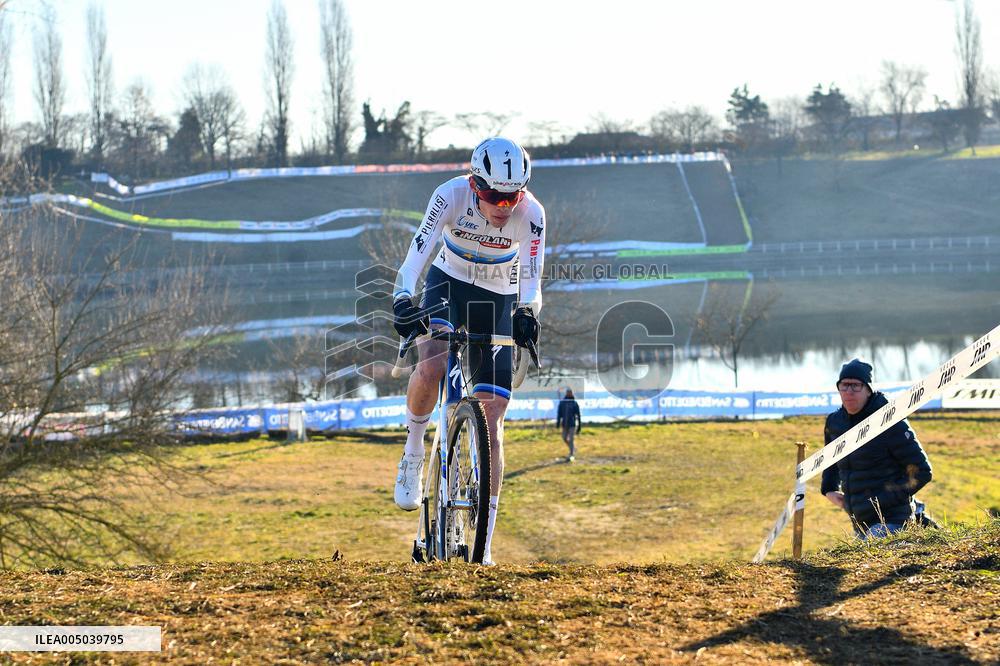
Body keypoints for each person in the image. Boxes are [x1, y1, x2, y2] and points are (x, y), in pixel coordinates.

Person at [391, 137, 545, 565]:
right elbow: (415, 257)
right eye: (495, 196)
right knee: (433, 362)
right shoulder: (450, 195)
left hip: (498, 294)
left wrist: (527, 312)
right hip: (449, 282)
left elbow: (532, 278)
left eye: (513, 196)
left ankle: (485, 546)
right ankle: (414, 450)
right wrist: (402, 298)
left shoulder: (532, 214)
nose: (504, 206)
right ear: (475, 185)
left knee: (493, 416)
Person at [820, 358, 933, 539]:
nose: (849, 391)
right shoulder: (835, 422)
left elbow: (922, 472)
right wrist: (828, 488)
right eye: (844, 385)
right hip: (860, 523)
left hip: (893, 520)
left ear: (868, 390)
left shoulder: (889, 419)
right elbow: (830, 460)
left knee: (867, 552)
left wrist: (880, 501)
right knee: (858, 554)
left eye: (856, 385)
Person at [556, 388, 581, 461]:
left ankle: (571, 454)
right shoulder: (562, 403)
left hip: (572, 424)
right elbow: (559, 414)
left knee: (571, 439)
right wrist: (558, 423)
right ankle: (573, 448)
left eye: (570, 392)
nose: (569, 393)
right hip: (564, 424)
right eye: (568, 392)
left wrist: (579, 426)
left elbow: (578, 415)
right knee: (564, 438)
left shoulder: (574, 403)